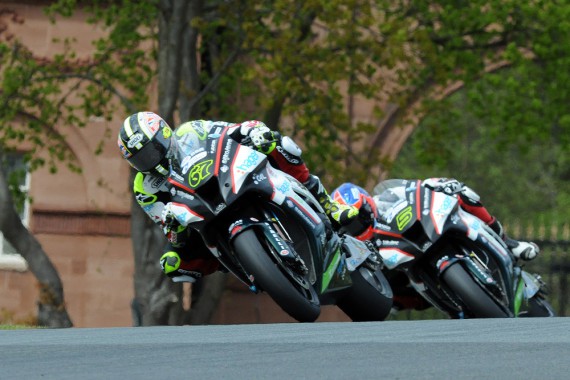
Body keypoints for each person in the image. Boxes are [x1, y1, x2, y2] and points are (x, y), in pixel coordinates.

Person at [117, 111, 359, 283]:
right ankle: (240, 260)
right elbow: (169, 230)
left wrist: (254, 132)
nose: (149, 160)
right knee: (172, 261)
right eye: (139, 159)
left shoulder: (191, 131)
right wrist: (173, 227)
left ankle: (329, 205)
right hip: (193, 214)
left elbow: (230, 130)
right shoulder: (144, 188)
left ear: (164, 134)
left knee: (281, 144)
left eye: (151, 150)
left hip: (224, 178)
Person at [331, 178, 541, 311]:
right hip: (406, 266)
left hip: (427, 232)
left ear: (367, 203)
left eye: (358, 217)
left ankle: (509, 243)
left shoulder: (387, 198)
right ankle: (454, 305)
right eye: (350, 227)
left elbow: (415, 188)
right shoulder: (362, 247)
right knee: (392, 292)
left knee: (463, 193)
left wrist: (438, 186)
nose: (357, 226)